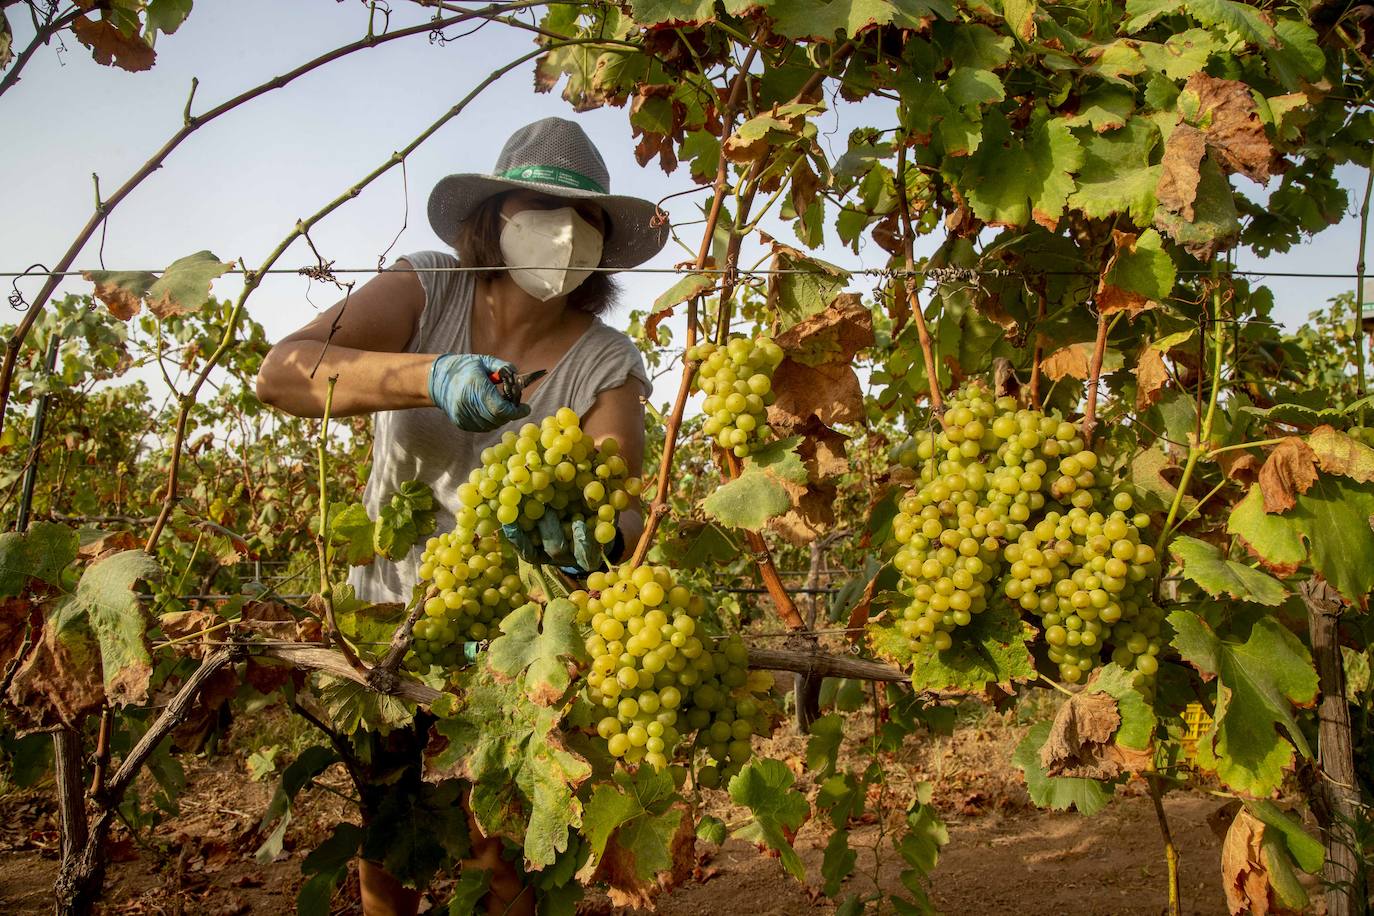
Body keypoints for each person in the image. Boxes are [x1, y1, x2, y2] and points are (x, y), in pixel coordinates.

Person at [255, 117, 668, 916]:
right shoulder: (429, 285)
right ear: (492, 220)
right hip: (389, 622)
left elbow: (616, 497)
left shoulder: (606, 361)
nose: (564, 235)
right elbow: (283, 374)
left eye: (584, 220)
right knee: (391, 843)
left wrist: (595, 540)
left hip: (514, 645)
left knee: (505, 854)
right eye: (540, 211)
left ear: (602, 244)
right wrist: (431, 375)